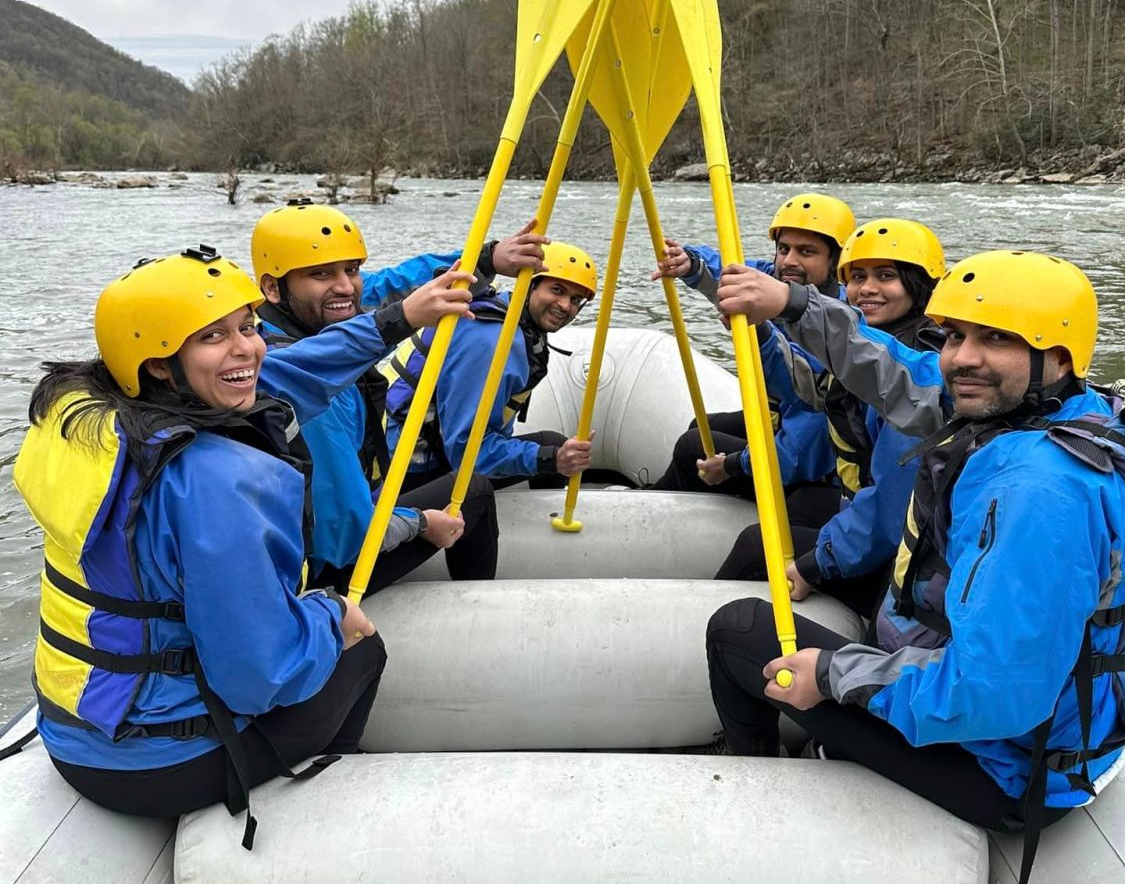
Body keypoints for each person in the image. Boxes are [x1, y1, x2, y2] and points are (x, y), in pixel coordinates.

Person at [706, 249, 1125, 884]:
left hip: (1005, 766)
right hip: (1054, 730)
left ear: (1057, 354)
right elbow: (896, 372)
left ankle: (757, 783)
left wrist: (836, 673)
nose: (965, 357)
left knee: (737, 632)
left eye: (997, 338)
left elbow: (992, 697)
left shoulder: (1039, 492)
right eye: (957, 335)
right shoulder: (1061, 413)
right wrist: (793, 305)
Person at [13, 244, 471, 846]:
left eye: (249, 327)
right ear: (157, 362)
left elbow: (297, 370)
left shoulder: (91, 423)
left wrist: (399, 318)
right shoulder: (214, 483)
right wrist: (332, 615)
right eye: (213, 337)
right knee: (363, 646)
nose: (248, 348)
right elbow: (261, 676)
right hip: (160, 765)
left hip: (73, 732)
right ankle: (319, 808)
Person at [251, 199, 546, 594]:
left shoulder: (277, 319)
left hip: (349, 506)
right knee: (472, 489)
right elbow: (345, 536)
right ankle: (476, 610)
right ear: (273, 287)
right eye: (321, 274)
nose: (345, 286)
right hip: (329, 569)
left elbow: (386, 286)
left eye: (351, 269)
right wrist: (422, 522)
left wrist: (487, 258)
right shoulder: (314, 403)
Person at [714, 219, 946, 619]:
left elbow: (890, 512)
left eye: (885, 276)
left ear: (918, 284)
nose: (867, 288)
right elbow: (808, 388)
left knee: (757, 547)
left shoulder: (915, 367)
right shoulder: (870, 346)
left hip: (898, 556)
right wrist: (764, 337)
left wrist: (813, 565)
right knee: (802, 505)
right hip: (866, 514)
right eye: (858, 277)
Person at [651, 192, 855, 494]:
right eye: (784, 249)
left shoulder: (840, 326)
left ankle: (657, 503)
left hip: (812, 468)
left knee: (692, 446)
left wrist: (732, 464)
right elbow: (726, 269)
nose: (789, 261)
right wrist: (691, 263)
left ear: (836, 260)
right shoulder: (775, 279)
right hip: (782, 419)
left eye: (806, 252)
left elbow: (800, 447)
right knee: (702, 425)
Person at [384, 240, 598, 489]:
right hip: (404, 474)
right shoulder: (489, 342)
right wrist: (551, 459)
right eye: (557, 290)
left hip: (437, 450)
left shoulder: (512, 317)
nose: (565, 306)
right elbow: (465, 454)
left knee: (553, 444)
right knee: (529, 466)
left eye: (575, 300)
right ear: (529, 285)